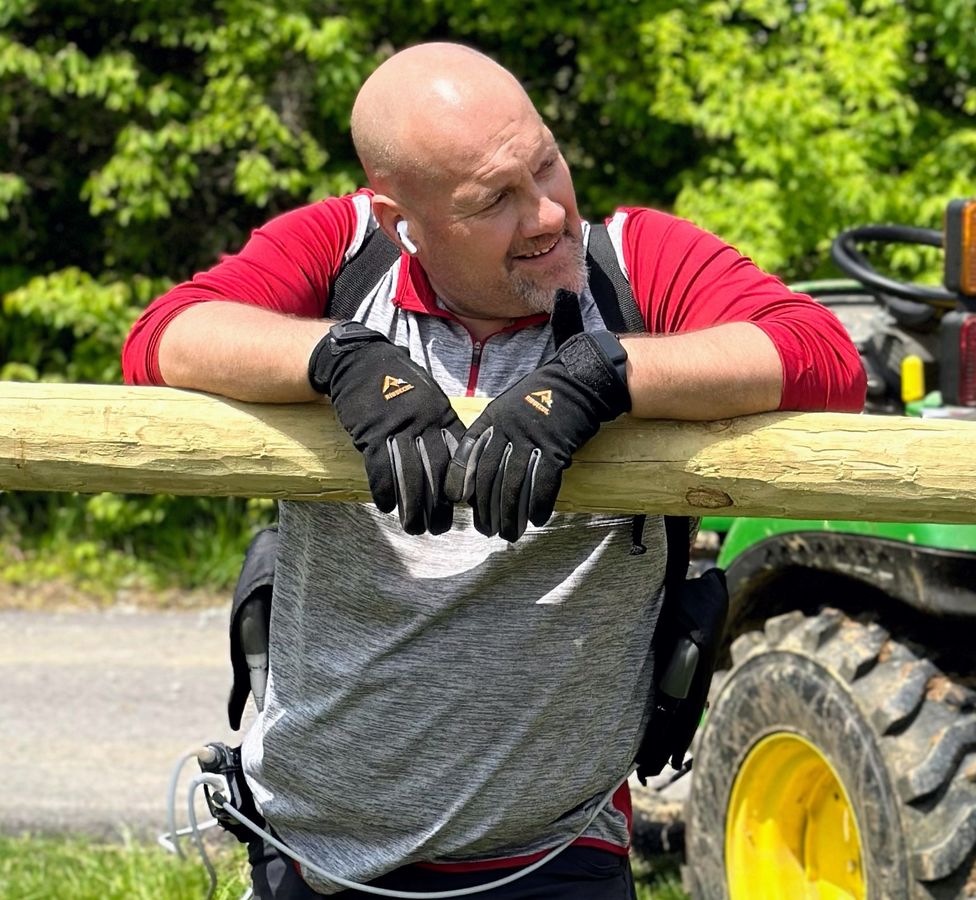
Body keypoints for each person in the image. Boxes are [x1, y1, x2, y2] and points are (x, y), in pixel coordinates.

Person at [123, 42, 866, 899]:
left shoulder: (634, 264)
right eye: (495, 200)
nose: (546, 214)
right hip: (311, 853)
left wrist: (608, 373)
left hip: (556, 857)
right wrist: (337, 357)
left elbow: (824, 356)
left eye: (546, 165)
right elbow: (162, 337)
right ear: (402, 224)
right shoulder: (345, 252)